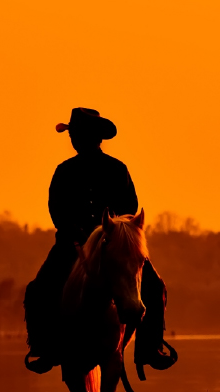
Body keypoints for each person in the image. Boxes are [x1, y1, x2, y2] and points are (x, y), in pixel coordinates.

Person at [24, 107, 175, 374]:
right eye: (74, 135)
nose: (75, 140)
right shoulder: (65, 171)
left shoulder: (117, 169)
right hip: (74, 243)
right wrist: (77, 233)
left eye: (77, 135)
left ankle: (149, 347)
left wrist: (111, 233)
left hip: (115, 245)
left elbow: (130, 208)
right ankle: (44, 346)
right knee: (38, 289)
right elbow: (56, 209)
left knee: (154, 286)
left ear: (91, 138)